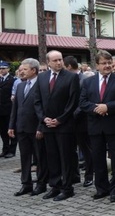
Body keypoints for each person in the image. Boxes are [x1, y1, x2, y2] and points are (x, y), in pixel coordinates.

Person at [80, 50, 115, 203]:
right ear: (97, 65)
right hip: (95, 126)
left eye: (109, 63)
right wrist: (97, 108)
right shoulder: (88, 82)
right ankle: (102, 188)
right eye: (104, 63)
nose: (107, 66)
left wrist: (107, 107)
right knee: (98, 159)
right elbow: (82, 102)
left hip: (114, 126)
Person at [33, 50, 81, 201]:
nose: (59, 62)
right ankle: (55, 186)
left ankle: (67, 188)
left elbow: (73, 102)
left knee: (65, 157)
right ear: (48, 63)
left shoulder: (71, 77)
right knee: (52, 157)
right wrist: (43, 118)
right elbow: (37, 101)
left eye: (60, 59)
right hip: (47, 125)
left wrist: (60, 119)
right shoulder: (41, 78)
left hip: (64, 125)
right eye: (55, 60)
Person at [8, 58, 48, 197]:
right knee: (25, 157)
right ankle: (26, 184)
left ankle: (41, 184)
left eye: (24, 69)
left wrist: (40, 127)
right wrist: (11, 125)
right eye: (20, 69)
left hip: (36, 129)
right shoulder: (19, 85)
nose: (21, 72)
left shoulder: (42, 85)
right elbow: (16, 108)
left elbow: (44, 109)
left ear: (34, 70)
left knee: (40, 157)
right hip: (21, 128)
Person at [64, 55, 94, 188]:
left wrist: (71, 115)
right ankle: (74, 175)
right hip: (67, 121)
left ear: (69, 66)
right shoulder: (66, 79)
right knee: (70, 150)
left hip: (82, 121)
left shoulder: (85, 80)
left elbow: (85, 102)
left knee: (86, 150)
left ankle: (89, 176)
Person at [0, 60, 17, 158]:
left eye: (3, 68)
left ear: (8, 69)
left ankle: (12, 150)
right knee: (2, 132)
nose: (1, 70)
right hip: (1, 110)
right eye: (0, 68)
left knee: (11, 130)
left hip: (9, 110)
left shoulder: (13, 80)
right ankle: (5, 149)